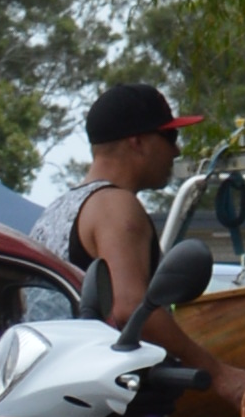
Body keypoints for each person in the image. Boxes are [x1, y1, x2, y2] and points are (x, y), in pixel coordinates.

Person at [47, 78, 181, 315]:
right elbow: (131, 311)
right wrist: (200, 354)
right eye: (170, 136)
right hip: (99, 353)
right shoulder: (115, 206)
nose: (176, 150)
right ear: (137, 142)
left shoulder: (56, 211)